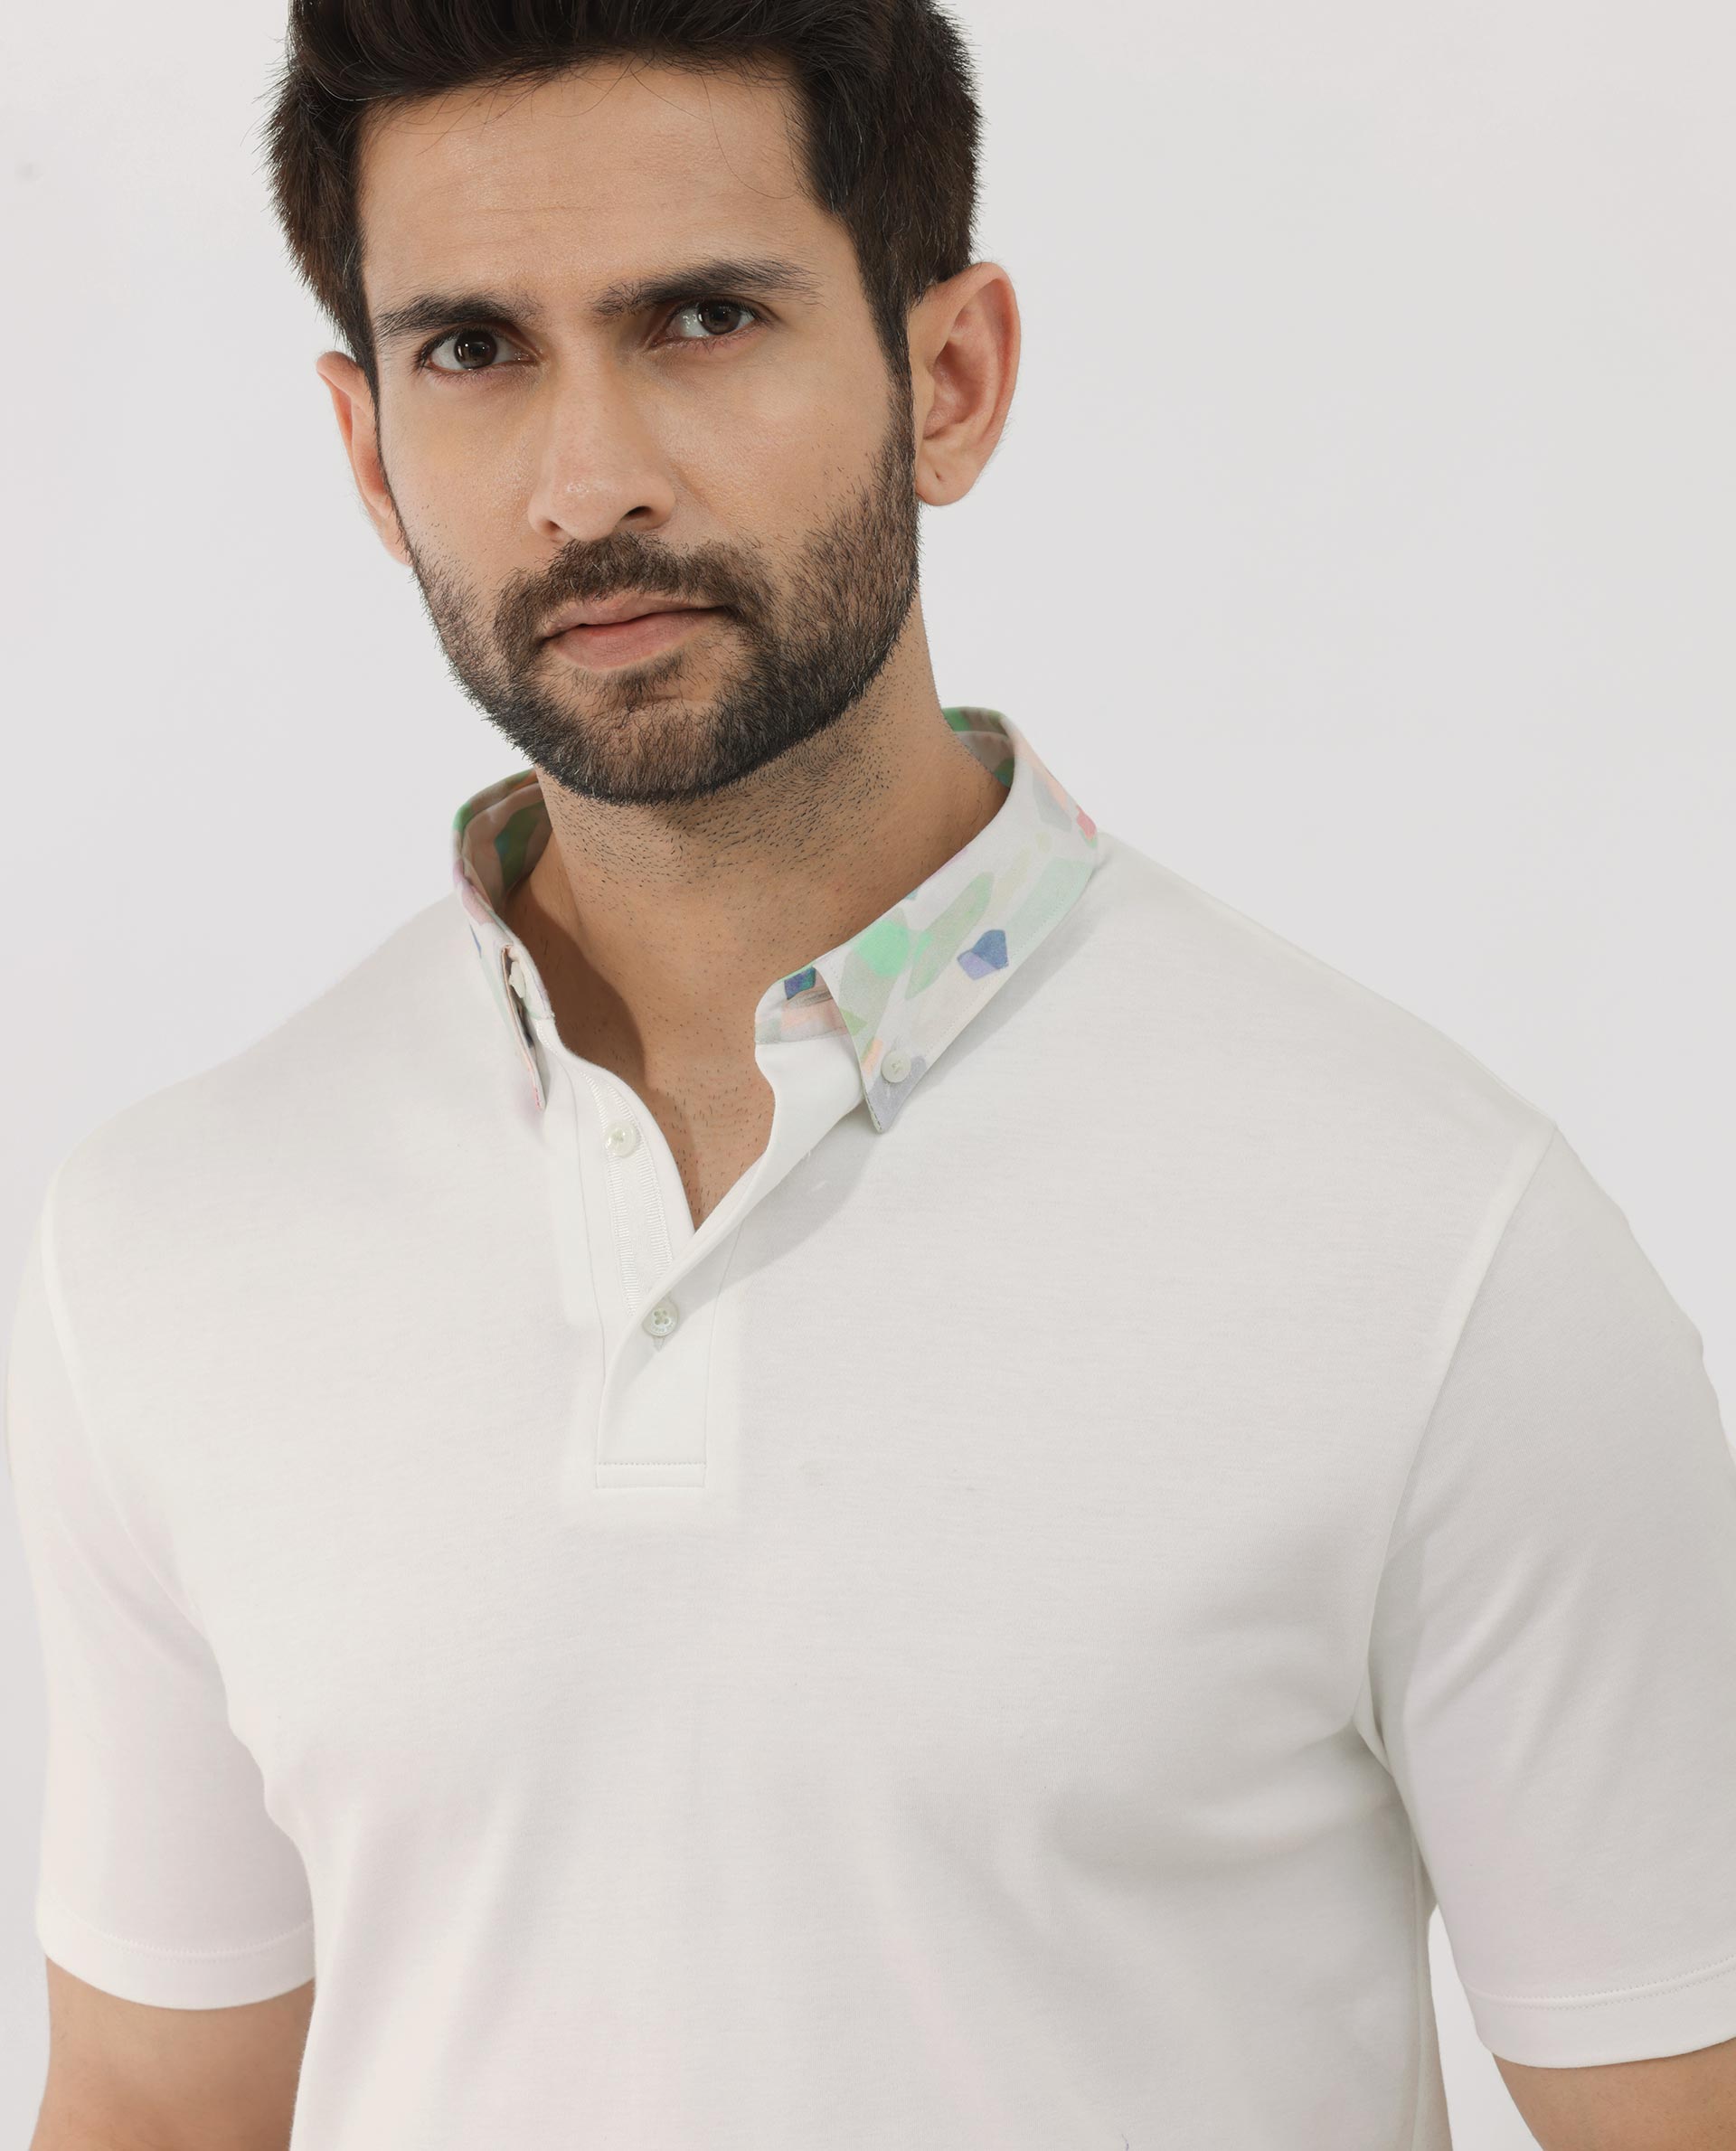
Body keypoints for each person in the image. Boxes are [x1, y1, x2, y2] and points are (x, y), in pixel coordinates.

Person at [9, 4, 1736, 2147]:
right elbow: (156, 2104)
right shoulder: (168, 1245)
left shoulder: (1439, 1247)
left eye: (703, 318)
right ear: (368, 450)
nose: (589, 479)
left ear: (953, 377)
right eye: (473, 349)